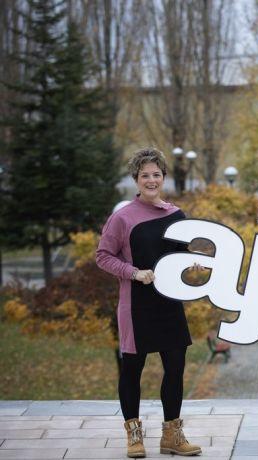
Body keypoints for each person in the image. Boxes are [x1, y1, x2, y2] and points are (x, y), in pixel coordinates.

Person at [96, 148, 201, 458]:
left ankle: (172, 436)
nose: (152, 180)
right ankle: (134, 435)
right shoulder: (123, 217)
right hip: (136, 306)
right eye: (145, 175)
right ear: (136, 180)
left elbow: (179, 259)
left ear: (164, 178)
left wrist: (193, 267)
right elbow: (103, 256)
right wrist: (133, 272)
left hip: (170, 304)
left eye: (157, 174)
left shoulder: (176, 215)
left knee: (176, 367)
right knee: (132, 369)